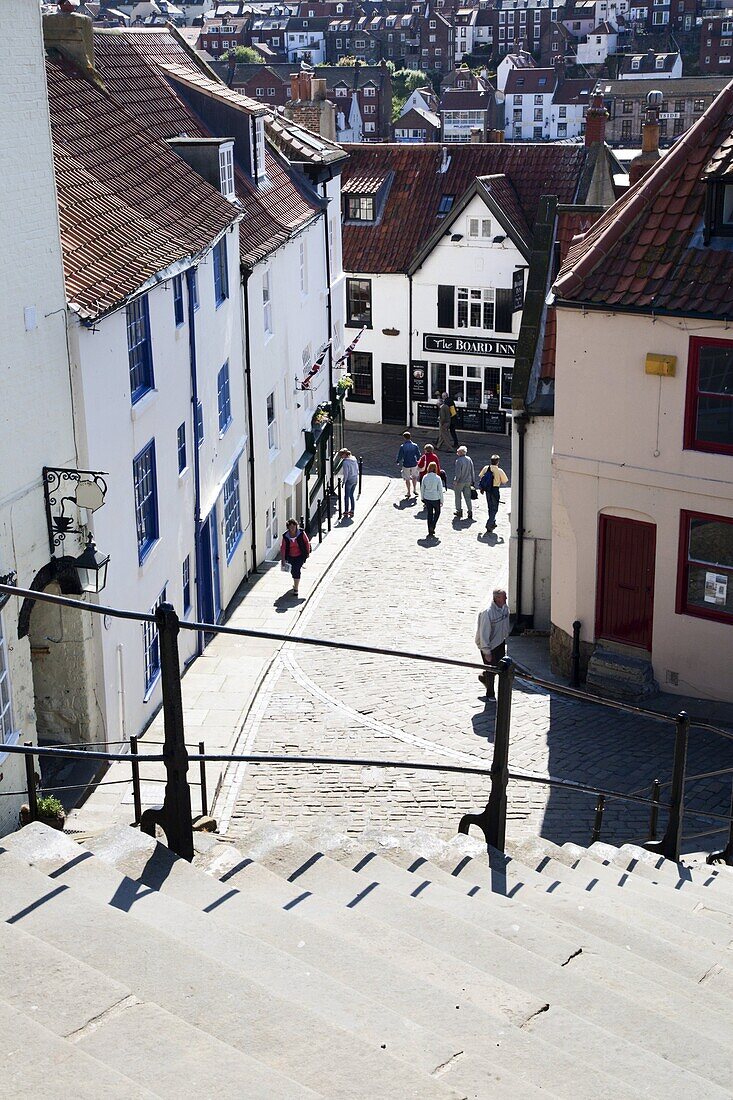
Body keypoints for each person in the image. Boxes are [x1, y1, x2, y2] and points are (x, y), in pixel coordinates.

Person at [475, 589, 510, 698]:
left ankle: (484, 677)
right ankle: (490, 694)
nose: (506, 599)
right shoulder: (487, 612)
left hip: (500, 642)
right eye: (504, 597)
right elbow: (484, 633)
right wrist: (486, 651)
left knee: (500, 668)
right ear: (497, 598)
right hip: (489, 645)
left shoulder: (505, 608)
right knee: (491, 670)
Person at [280, 518, 311, 596]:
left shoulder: (301, 533)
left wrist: (307, 552)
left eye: (294, 526)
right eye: (291, 527)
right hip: (290, 556)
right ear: (288, 528)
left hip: (300, 555)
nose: (293, 528)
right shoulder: (285, 536)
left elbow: (307, 542)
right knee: (293, 571)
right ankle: (295, 583)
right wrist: (283, 559)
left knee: (296, 569)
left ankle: (296, 589)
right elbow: (283, 547)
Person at [478, 453, 509, 531]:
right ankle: (489, 522)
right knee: (495, 508)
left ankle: (493, 521)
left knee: (490, 506)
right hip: (495, 489)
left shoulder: (486, 468)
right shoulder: (499, 470)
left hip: (488, 490)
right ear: (497, 462)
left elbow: (480, 476)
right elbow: (505, 481)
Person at [420, 461, 444, 538]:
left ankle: (429, 529)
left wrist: (422, 497)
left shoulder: (425, 477)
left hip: (427, 497)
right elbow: (440, 489)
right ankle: (433, 525)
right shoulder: (437, 478)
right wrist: (442, 500)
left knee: (429, 513)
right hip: (435, 498)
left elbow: (422, 488)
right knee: (437, 512)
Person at [453, 445, 476, 520]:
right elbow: (472, 470)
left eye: (458, 451)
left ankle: (459, 510)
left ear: (460, 452)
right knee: (467, 497)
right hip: (468, 481)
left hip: (460, 481)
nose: (457, 452)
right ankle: (470, 511)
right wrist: (473, 480)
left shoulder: (459, 461)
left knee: (458, 496)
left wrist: (456, 480)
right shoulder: (469, 459)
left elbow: (458, 473)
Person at [396, 431, 421, 498]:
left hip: (406, 464)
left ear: (404, 438)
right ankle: (415, 489)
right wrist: (418, 460)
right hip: (414, 463)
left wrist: (398, 461)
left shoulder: (403, 446)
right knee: (414, 477)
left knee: (407, 478)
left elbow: (400, 455)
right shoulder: (415, 445)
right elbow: (418, 455)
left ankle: (408, 492)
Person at [338, 448, 359, 517]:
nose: (341, 456)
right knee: (351, 495)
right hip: (355, 479)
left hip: (349, 480)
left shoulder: (345, 462)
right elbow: (357, 469)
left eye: (341, 455)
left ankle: (346, 511)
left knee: (346, 496)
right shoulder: (354, 459)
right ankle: (352, 510)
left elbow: (346, 474)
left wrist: (343, 482)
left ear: (344, 454)